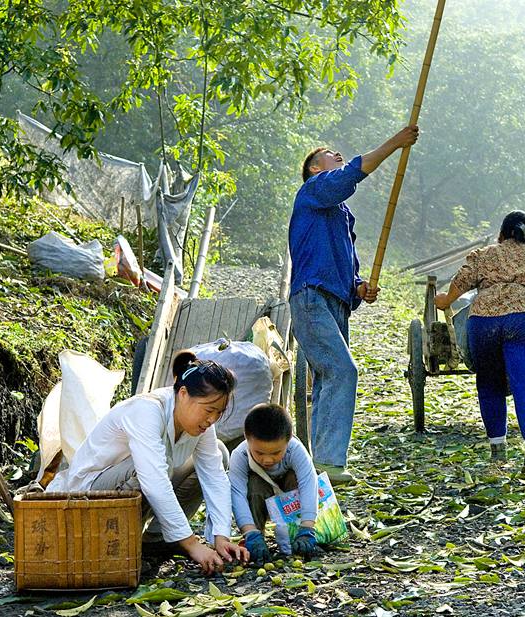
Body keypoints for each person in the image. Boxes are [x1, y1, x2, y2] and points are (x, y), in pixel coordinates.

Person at [289, 125, 420, 484]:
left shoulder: (341, 216)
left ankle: (319, 465)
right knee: (342, 371)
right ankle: (328, 463)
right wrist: (396, 142)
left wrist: (359, 287)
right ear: (316, 168)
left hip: (334, 301)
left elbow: (348, 268)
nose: (338, 156)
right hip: (311, 296)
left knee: (329, 377)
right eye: (330, 155)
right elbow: (352, 174)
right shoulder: (314, 190)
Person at [47, 352, 249, 574]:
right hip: (88, 496)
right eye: (208, 410)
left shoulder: (201, 426)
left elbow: (214, 475)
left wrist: (221, 536)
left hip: (130, 489)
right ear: (183, 394)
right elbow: (154, 481)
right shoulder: (147, 410)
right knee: (145, 468)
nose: (212, 420)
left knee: (219, 452)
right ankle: (119, 548)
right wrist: (192, 545)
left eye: (218, 413)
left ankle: (155, 540)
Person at [434, 211, 525, 473]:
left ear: (501, 233)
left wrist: (446, 300)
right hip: (524, 317)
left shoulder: (484, 254)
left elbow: (461, 281)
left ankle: (498, 451)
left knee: (489, 383)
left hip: (484, 319)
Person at [229, 403, 319, 566]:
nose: (267, 460)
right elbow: (237, 494)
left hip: (289, 498)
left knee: (294, 478)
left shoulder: (295, 449)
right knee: (254, 484)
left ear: (289, 439)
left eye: (276, 453)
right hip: (261, 498)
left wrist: (308, 526)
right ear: (246, 438)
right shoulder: (239, 455)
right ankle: (256, 539)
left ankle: (297, 536)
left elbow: (308, 483)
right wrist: (249, 531)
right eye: (259, 453)